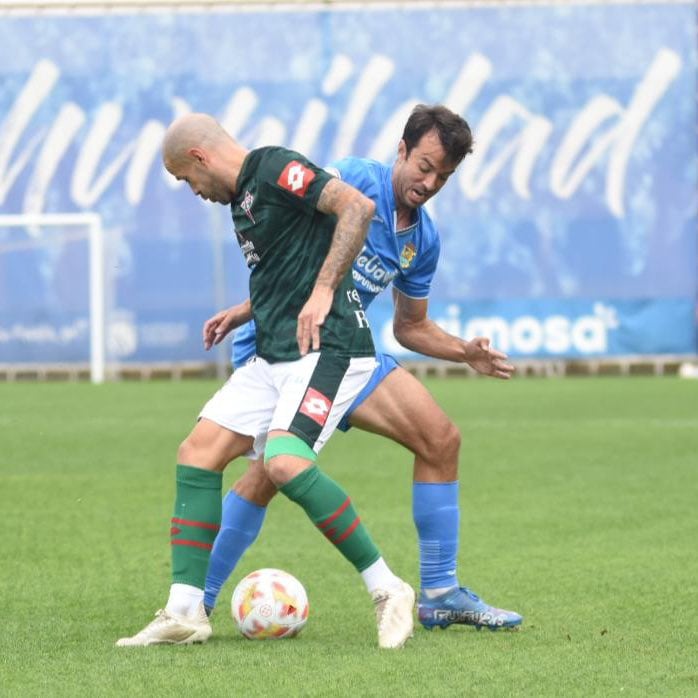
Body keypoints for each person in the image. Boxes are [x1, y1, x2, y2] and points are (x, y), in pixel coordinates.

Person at [202, 105, 523, 632]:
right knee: (267, 475)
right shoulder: (353, 179)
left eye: (443, 176)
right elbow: (286, 243)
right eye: (424, 165)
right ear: (401, 150)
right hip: (286, 344)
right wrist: (246, 309)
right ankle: (199, 603)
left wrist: (465, 351)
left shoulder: (424, 238)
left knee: (440, 440)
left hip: (348, 352)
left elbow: (410, 327)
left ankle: (440, 592)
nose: (430, 181)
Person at [116, 112, 415, 649]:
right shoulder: (243, 199)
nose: (193, 191)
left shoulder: (275, 167)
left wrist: (325, 292)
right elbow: (291, 264)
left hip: (330, 348)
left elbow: (357, 207)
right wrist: (247, 310)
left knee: (283, 461)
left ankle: (388, 589)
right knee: (197, 451)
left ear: (200, 158)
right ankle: (185, 609)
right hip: (277, 352)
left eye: (187, 179)